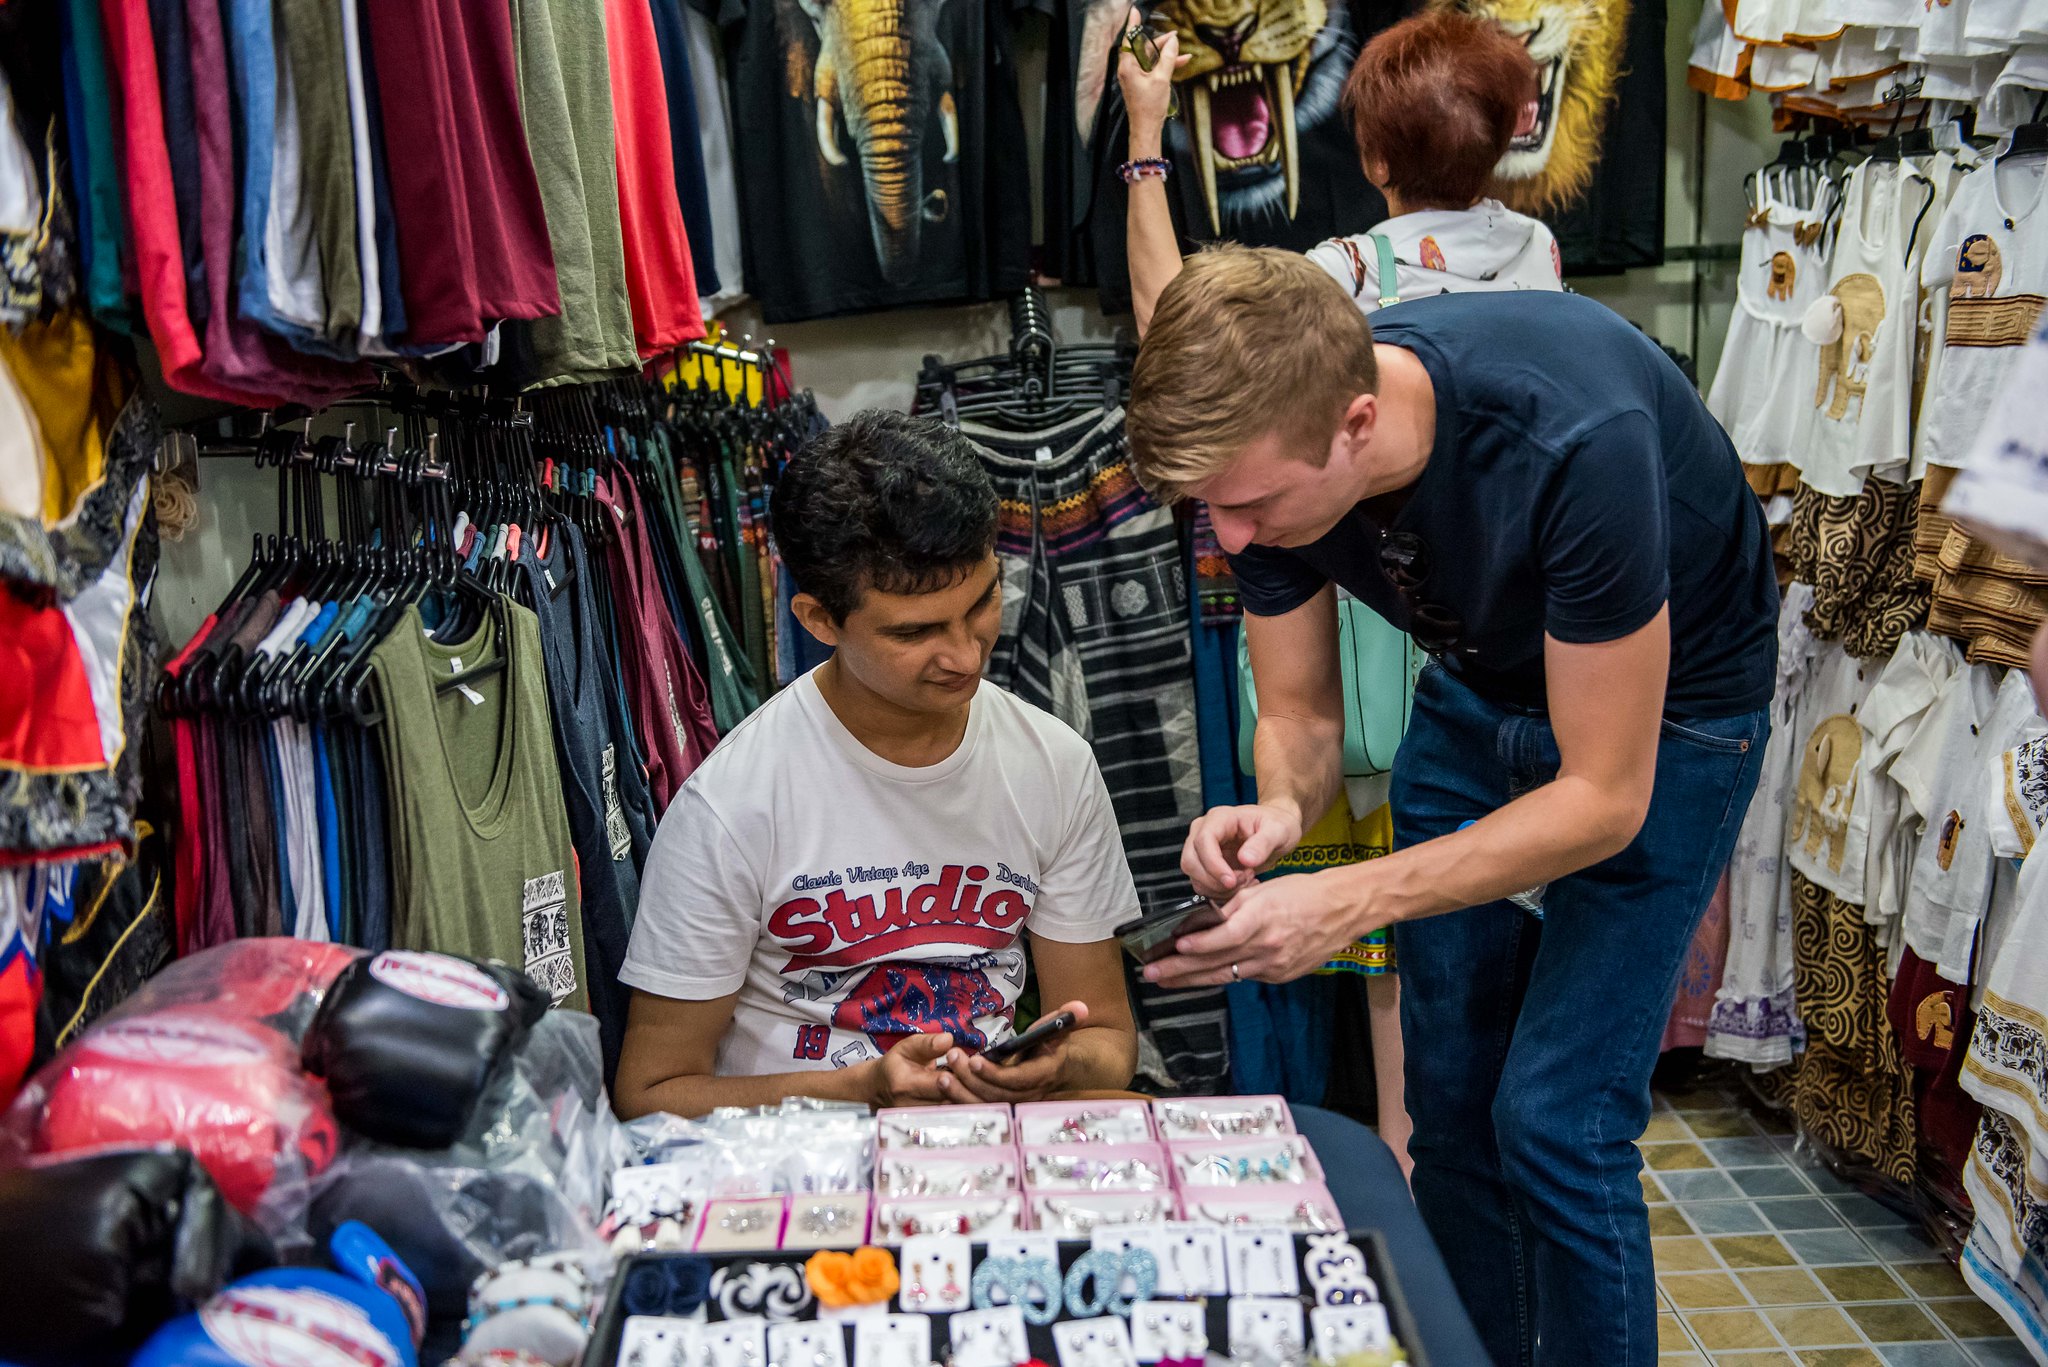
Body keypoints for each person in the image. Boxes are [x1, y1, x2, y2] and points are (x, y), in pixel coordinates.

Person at [1124, 247, 1779, 1366]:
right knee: (1449, 1100)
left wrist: (1345, 899)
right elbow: (1298, 716)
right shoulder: (1266, 464)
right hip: (1478, 687)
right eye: (1205, 510)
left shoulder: (1570, 437)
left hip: (1669, 718)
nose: (1227, 539)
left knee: (1557, 1118)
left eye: (1245, 506)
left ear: (1357, 423)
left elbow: (1600, 797)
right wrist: (1281, 813)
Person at [1120, 4, 1558, 1176]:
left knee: (1393, 951)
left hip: (1376, 628)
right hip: (1519, 629)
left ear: (1366, 156)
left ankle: (1404, 1164)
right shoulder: (1538, 257)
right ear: (1515, 134)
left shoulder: (1339, 279)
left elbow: (1176, 328)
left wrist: (1147, 140)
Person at [611, 411, 1141, 1118]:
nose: (965, 654)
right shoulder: (732, 805)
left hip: (980, 1165)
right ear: (819, 620)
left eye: (982, 601)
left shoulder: (1054, 764)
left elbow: (1107, 1036)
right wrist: (857, 1091)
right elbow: (651, 1096)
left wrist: (1051, 1064)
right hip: (802, 1186)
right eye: (915, 632)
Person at [1118, 7, 1558, 337]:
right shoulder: (1537, 245)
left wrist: (1144, 128)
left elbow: (1167, 330)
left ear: (1376, 163)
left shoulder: (1346, 274)